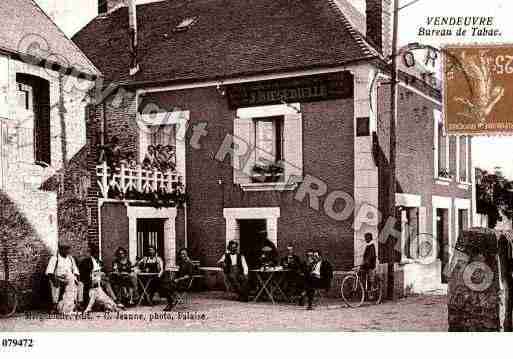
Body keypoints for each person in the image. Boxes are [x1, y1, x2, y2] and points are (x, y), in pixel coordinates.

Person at [45, 243, 82, 313]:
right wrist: (54, 280)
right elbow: (50, 272)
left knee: (79, 284)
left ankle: (76, 303)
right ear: (60, 250)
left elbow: (75, 270)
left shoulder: (70, 258)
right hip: (58, 277)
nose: (67, 251)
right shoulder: (55, 258)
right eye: (65, 249)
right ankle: (55, 305)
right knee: (55, 285)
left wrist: (78, 279)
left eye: (68, 249)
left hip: (69, 278)